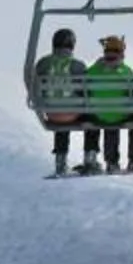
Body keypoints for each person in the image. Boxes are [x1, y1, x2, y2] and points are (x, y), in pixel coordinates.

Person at [35, 28, 95, 174]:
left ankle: (60, 162)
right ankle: (90, 159)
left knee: (60, 108)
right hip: (73, 113)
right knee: (92, 116)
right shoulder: (78, 66)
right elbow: (86, 90)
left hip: (52, 114)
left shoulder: (42, 63)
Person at [85, 34, 133, 172]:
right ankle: (112, 162)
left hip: (97, 114)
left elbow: (85, 85)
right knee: (113, 120)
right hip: (118, 115)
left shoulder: (93, 70)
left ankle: (90, 156)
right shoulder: (127, 71)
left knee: (92, 116)